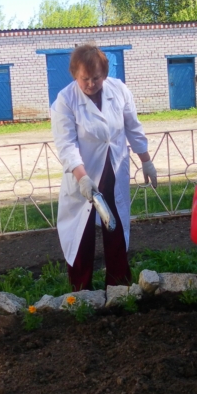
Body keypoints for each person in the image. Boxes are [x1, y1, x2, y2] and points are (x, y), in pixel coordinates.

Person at [51, 44, 157, 291]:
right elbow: (66, 145)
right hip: (83, 176)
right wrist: (82, 178)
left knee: (115, 228)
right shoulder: (65, 101)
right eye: (84, 79)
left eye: (96, 78)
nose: (90, 84)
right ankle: (81, 293)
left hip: (114, 170)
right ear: (74, 75)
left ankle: (119, 288)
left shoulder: (118, 90)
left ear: (105, 74)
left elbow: (133, 128)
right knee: (81, 235)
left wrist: (146, 161)